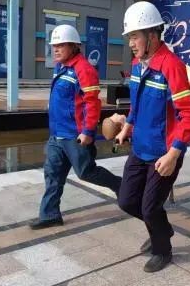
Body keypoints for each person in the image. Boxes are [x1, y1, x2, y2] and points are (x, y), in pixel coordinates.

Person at [114, 1, 190, 273]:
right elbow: (137, 104)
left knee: (150, 207)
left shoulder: (172, 67)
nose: (131, 43)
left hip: (164, 152)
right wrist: (127, 127)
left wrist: (174, 154)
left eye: (135, 36)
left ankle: (163, 249)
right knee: (127, 201)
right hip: (140, 147)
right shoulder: (138, 65)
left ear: (152, 35)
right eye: (130, 37)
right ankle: (162, 229)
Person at [30, 25, 122, 230]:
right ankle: (50, 215)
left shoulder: (84, 69)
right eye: (54, 45)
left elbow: (92, 103)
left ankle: (119, 185)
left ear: (73, 46)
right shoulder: (60, 67)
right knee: (52, 173)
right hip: (57, 134)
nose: (56, 49)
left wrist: (88, 131)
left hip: (74, 135)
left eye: (61, 45)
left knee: (86, 172)